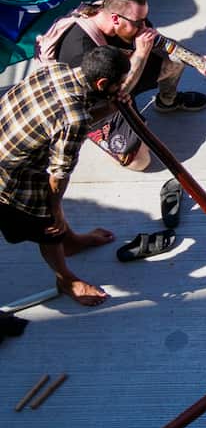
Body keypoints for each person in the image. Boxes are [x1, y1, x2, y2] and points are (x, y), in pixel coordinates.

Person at [0, 46, 130, 306]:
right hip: (9, 179)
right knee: (48, 226)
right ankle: (66, 279)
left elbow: (65, 117)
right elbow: (59, 173)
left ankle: (70, 242)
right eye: (119, 84)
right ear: (102, 83)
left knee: (52, 217)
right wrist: (56, 210)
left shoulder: (57, 69)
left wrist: (109, 108)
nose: (122, 87)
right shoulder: (74, 119)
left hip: (8, 144)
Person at [38, 0, 206, 170]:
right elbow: (116, 95)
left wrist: (198, 60)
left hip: (120, 73)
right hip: (96, 101)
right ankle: (95, 133)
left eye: (144, 19)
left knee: (175, 61)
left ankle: (167, 101)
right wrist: (140, 53)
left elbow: (160, 43)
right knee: (140, 161)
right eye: (139, 23)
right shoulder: (81, 52)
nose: (144, 27)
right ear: (115, 18)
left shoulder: (123, 18)